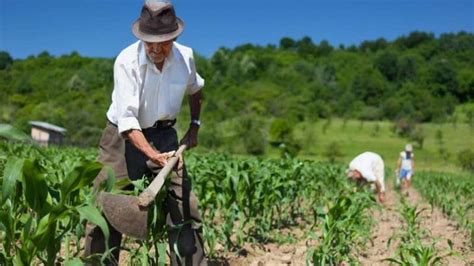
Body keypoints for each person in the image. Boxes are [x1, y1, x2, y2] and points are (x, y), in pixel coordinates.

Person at [84, 1, 207, 265]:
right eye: (148, 41)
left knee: (185, 205)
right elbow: (127, 122)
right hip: (120, 138)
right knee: (103, 206)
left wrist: (194, 125)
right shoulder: (127, 62)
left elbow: (196, 90)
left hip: (165, 136)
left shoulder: (186, 57)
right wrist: (153, 155)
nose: (154, 48)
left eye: (161, 42)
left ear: (173, 37)